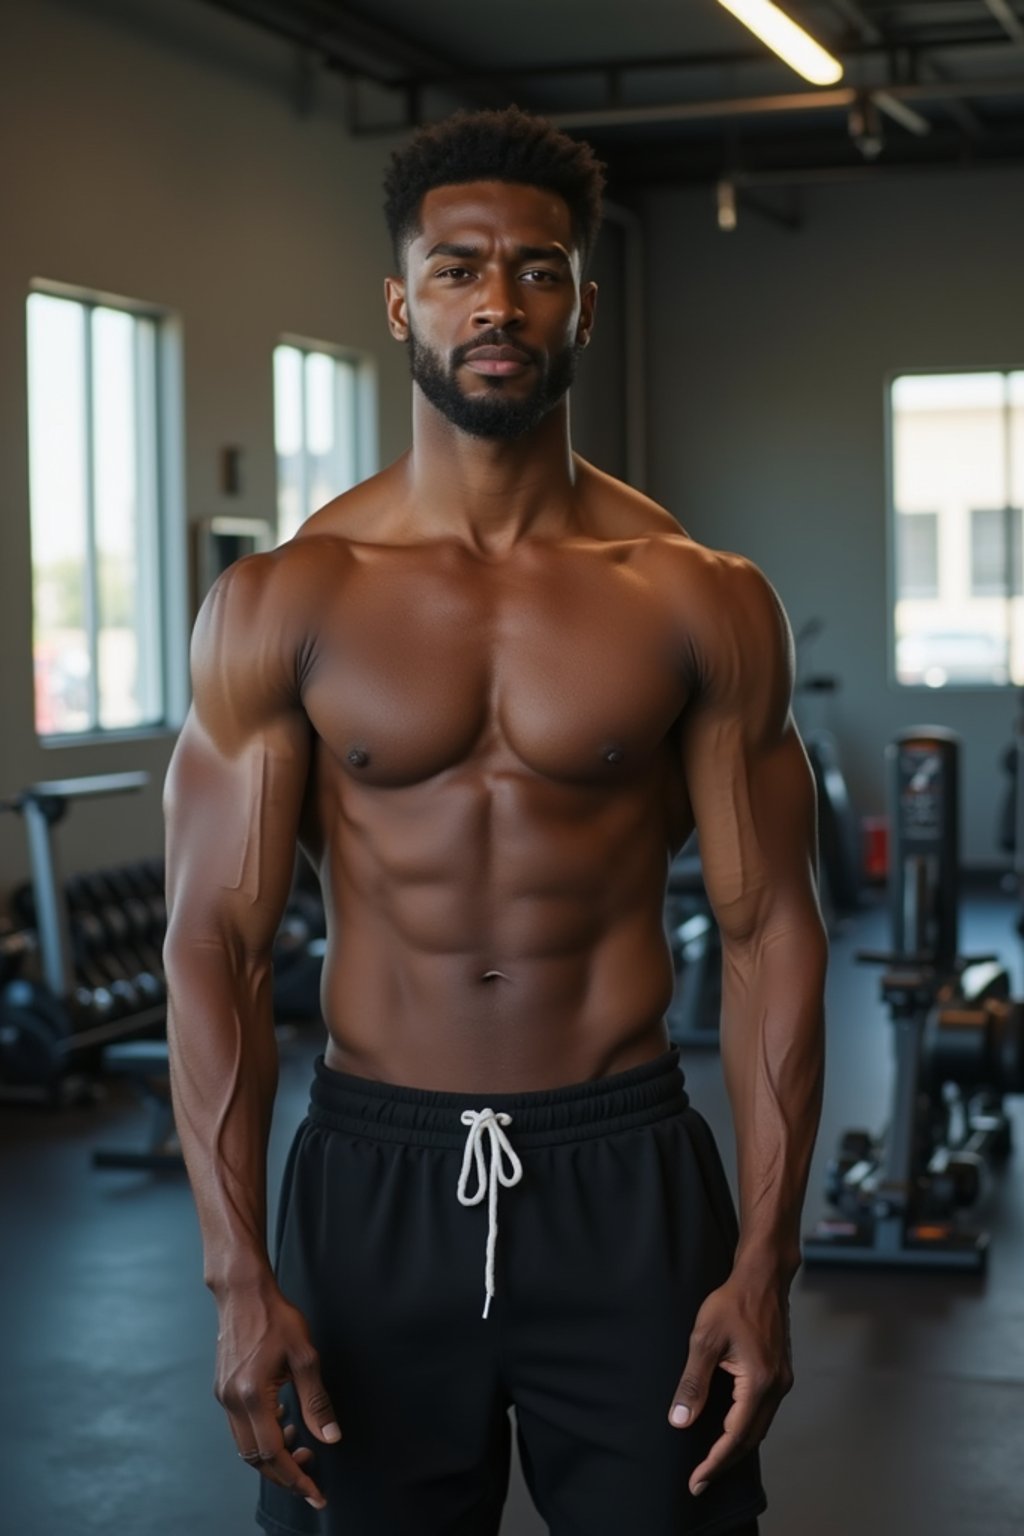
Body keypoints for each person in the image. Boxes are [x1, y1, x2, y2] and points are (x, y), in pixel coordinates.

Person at [163, 106, 827, 1536]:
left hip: (627, 1180)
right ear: (401, 302)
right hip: (371, 1185)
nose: (499, 301)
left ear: (583, 301)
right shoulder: (287, 601)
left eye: (537, 269)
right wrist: (237, 1275)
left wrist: (766, 1261)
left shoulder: (699, 595)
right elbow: (210, 941)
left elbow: (773, 929)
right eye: (458, 269)